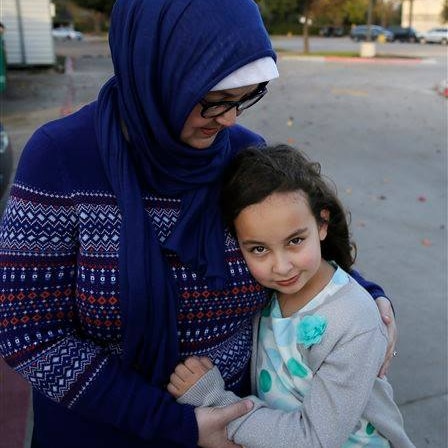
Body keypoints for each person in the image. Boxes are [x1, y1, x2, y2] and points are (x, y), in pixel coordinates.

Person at [0, 1, 396, 447]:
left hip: (239, 425)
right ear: (160, 71)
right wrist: (178, 424)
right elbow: (28, 331)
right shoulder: (61, 157)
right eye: (213, 102)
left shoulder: (240, 152)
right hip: (103, 432)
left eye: (244, 99)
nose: (228, 119)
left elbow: (286, 242)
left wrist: (365, 296)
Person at [168, 144, 415, 448]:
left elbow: (315, 440)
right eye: (258, 249)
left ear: (322, 224)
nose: (281, 266)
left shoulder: (354, 321)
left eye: (295, 241)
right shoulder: (267, 294)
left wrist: (214, 400)